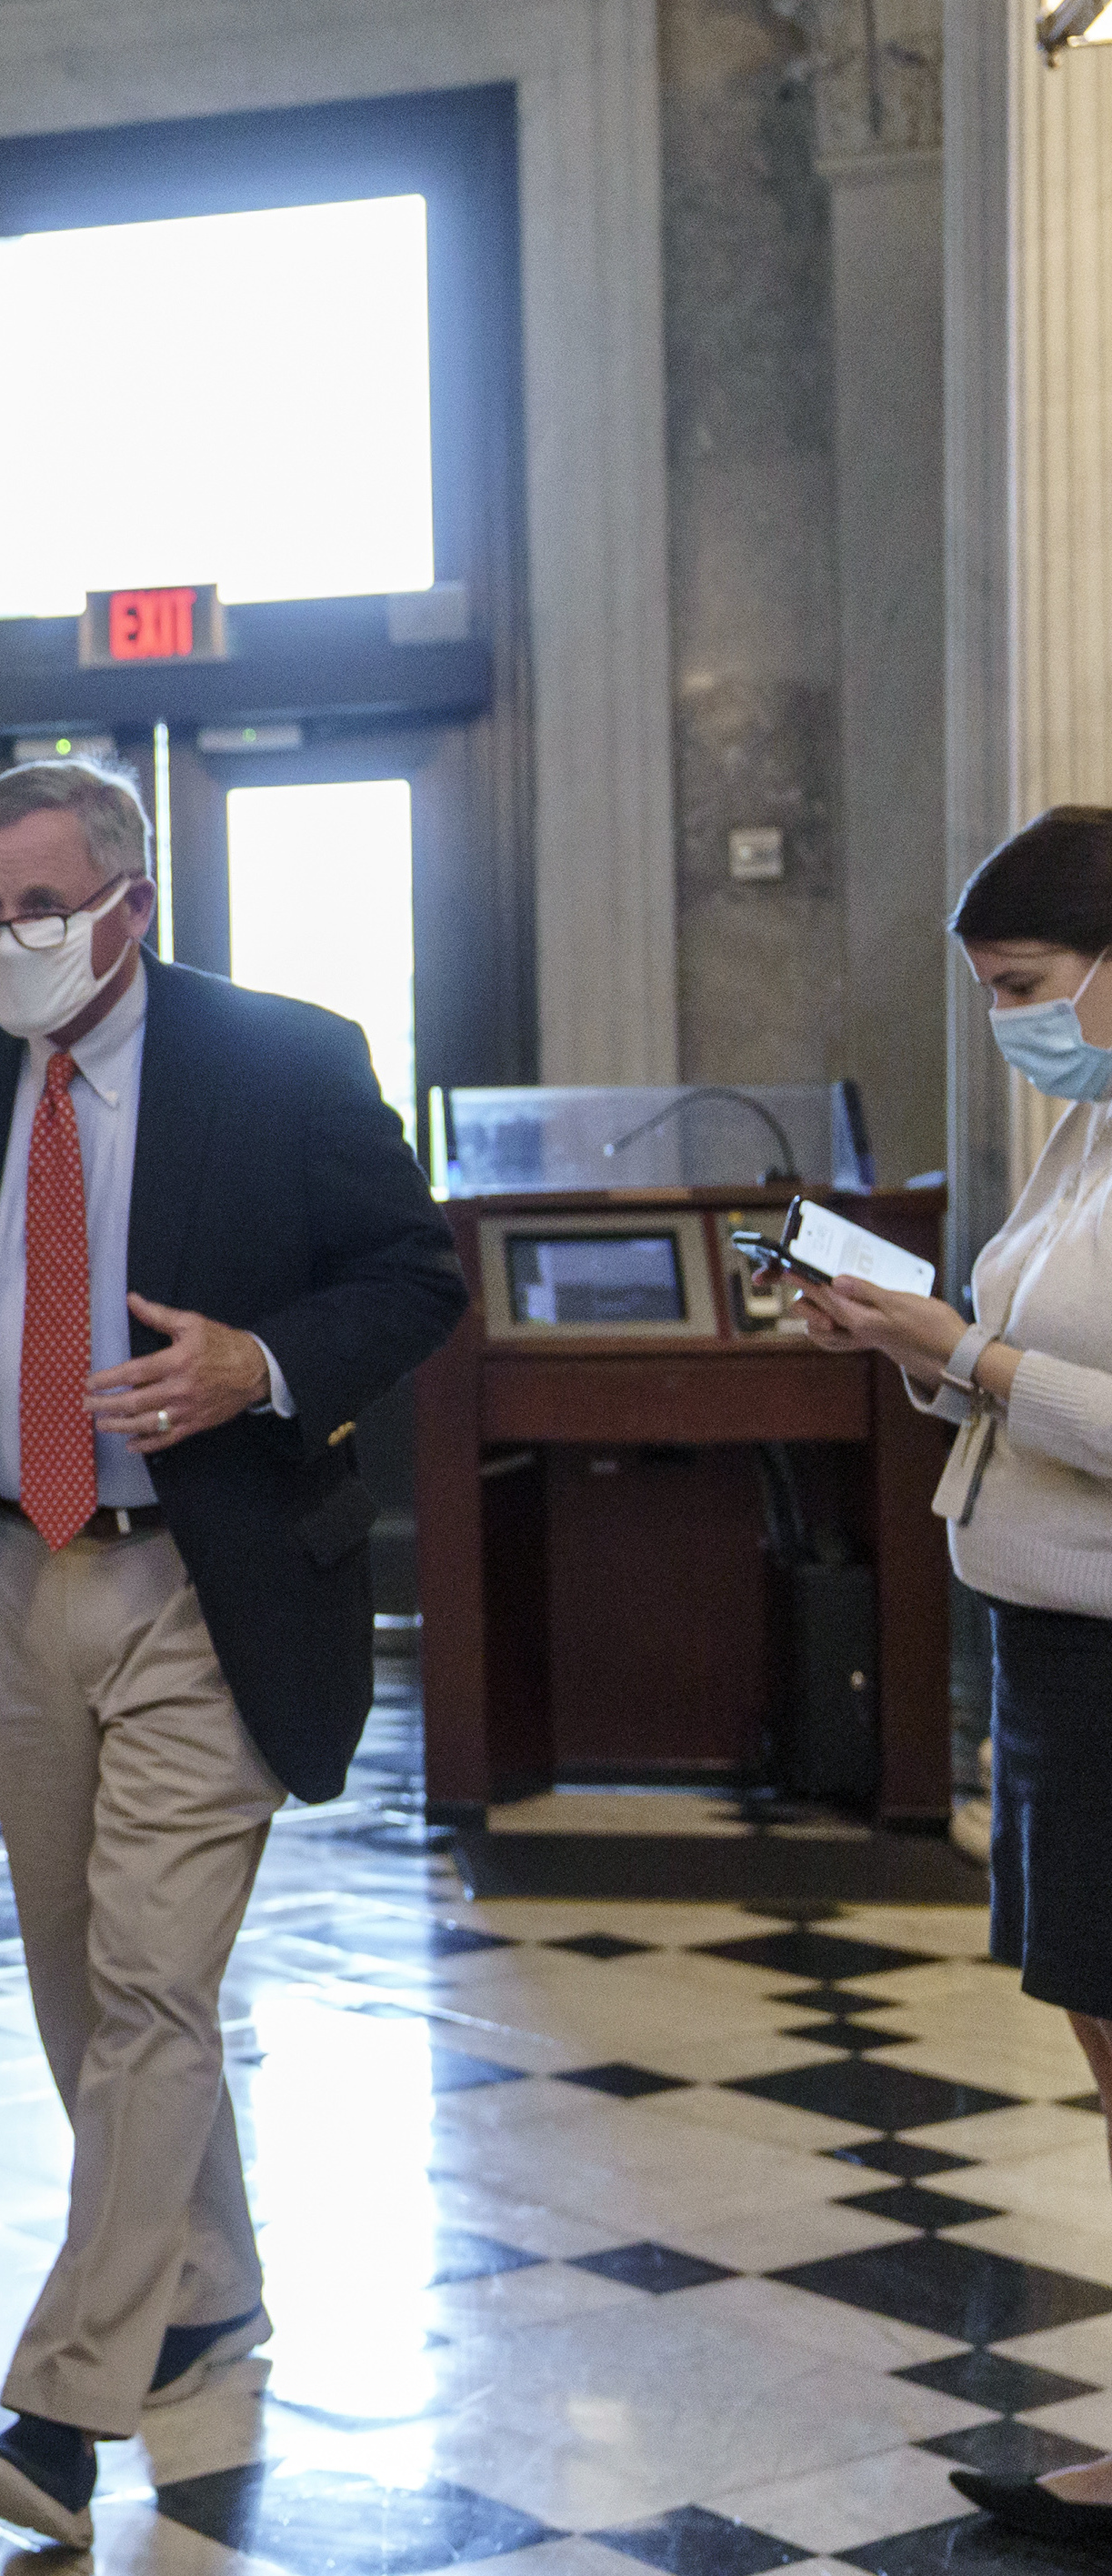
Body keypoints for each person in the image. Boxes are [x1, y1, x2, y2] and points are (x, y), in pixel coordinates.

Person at [0, 758, 466, 2547]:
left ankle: (62, 2403)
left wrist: (254, 1362)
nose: (3, 938)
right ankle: (203, 2295)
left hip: (209, 1573)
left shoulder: (283, 1056)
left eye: (36, 905)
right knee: (68, 1976)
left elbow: (413, 1279)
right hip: (6, 1578)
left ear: (129, 904)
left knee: (151, 1985)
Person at [767, 806, 1112, 2551]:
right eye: (990, 994)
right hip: (1053, 1645)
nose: (1013, 1025)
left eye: (1032, 986)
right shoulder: (1086, 1131)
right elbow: (1016, 1372)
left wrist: (961, 1347)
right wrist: (910, 1346)